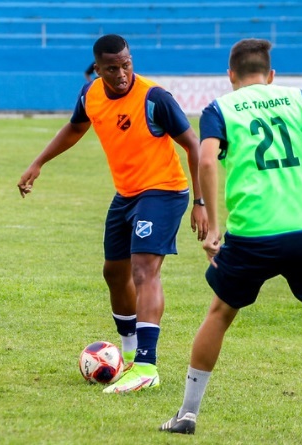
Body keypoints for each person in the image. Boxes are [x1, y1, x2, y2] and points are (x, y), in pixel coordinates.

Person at [159, 38, 302, 436]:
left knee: (220, 314)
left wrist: (209, 219)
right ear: (271, 74)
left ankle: (188, 414)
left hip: (250, 233)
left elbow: (207, 158)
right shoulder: (298, 98)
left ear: (231, 75)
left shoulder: (219, 109)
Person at [18, 34, 208, 394]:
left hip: (164, 191)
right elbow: (75, 127)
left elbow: (193, 145)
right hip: (126, 195)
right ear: (98, 69)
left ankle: (148, 367)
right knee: (114, 272)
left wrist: (200, 204)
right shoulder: (90, 94)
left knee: (143, 270)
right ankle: (130, 356)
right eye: (112, 68)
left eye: (126, 65)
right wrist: (39, 162)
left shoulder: (155, 98)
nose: (121, 74)